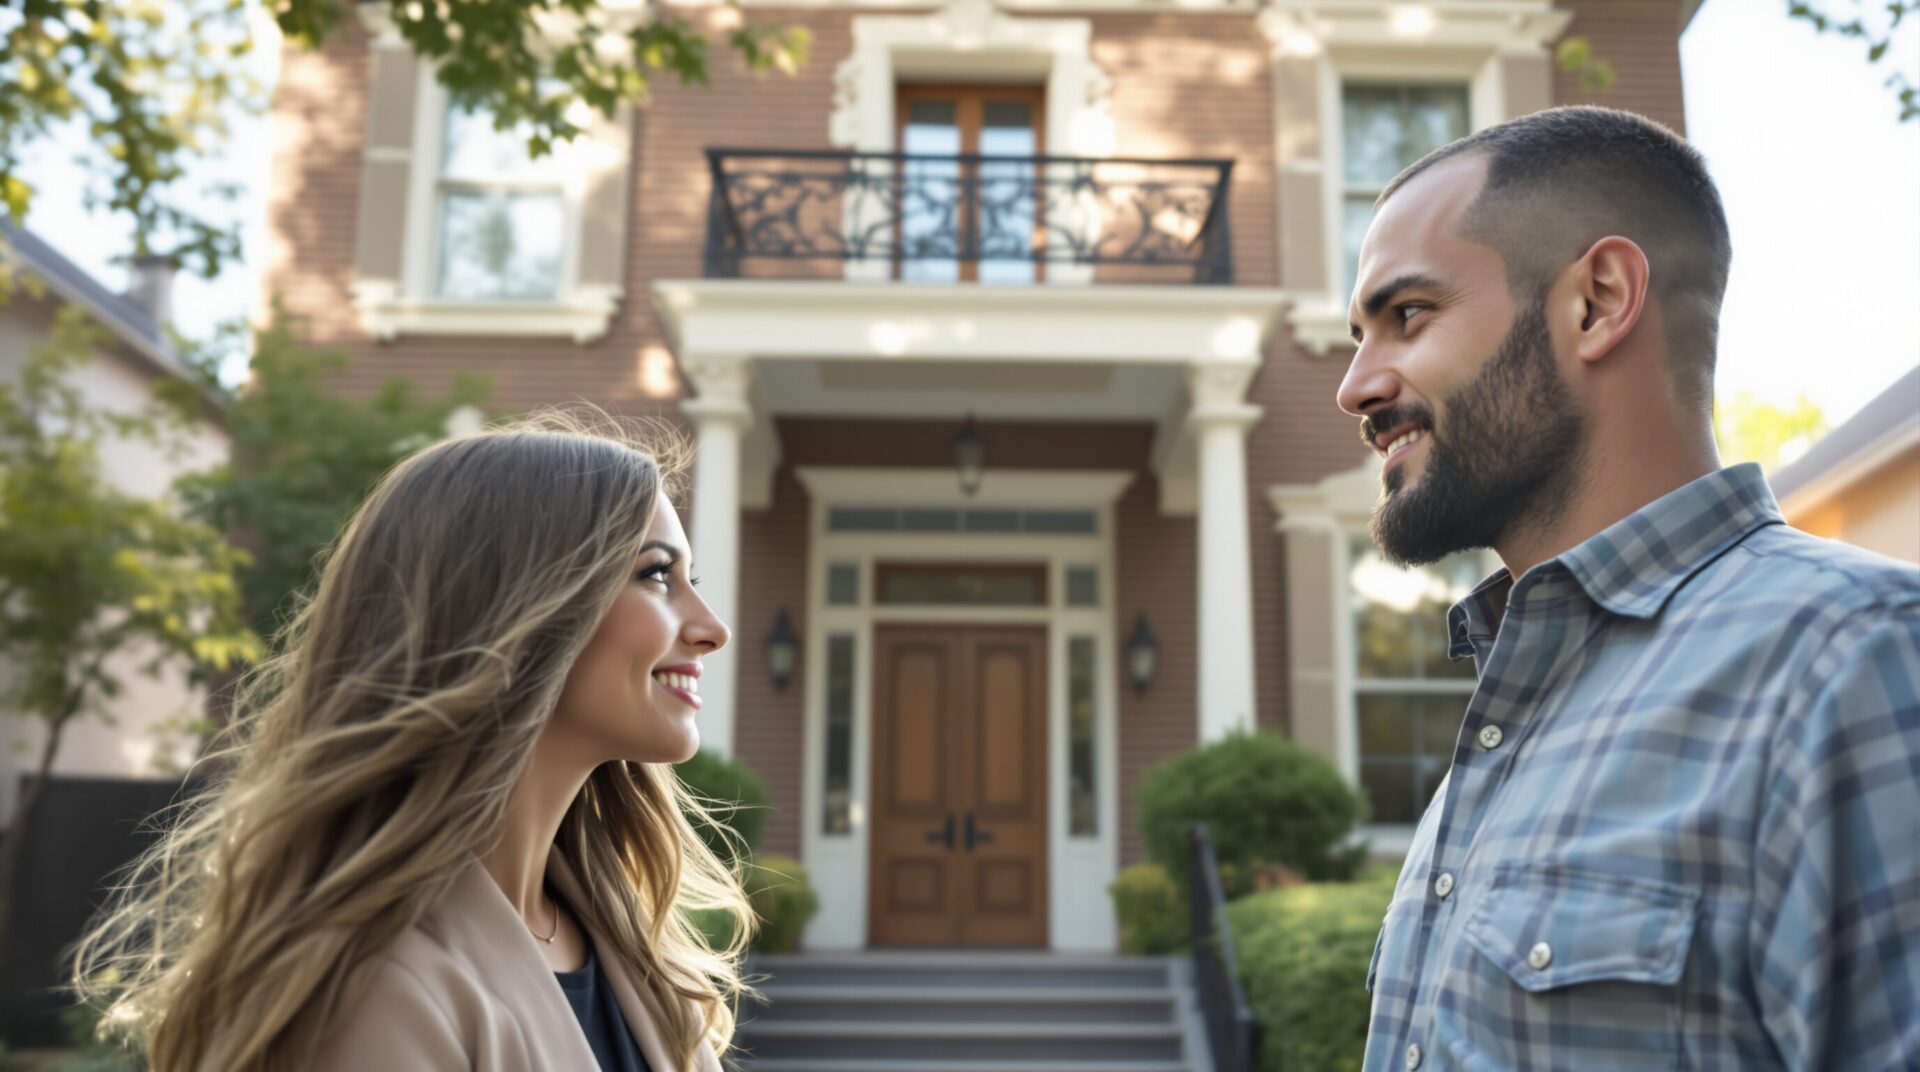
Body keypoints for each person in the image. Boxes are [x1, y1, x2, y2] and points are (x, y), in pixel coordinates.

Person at [1337, 105, 1919, 1071]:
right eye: (1359, 335)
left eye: (1408, 316)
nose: (1356, 386)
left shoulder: (1858, 662)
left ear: (1598, 302)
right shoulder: (1514, 716)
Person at [68, 408, 752, 1070]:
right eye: (656, 575)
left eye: (689, 580)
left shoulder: (633, 950)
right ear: (514, 606)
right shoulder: (376, 989)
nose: (713, 629)